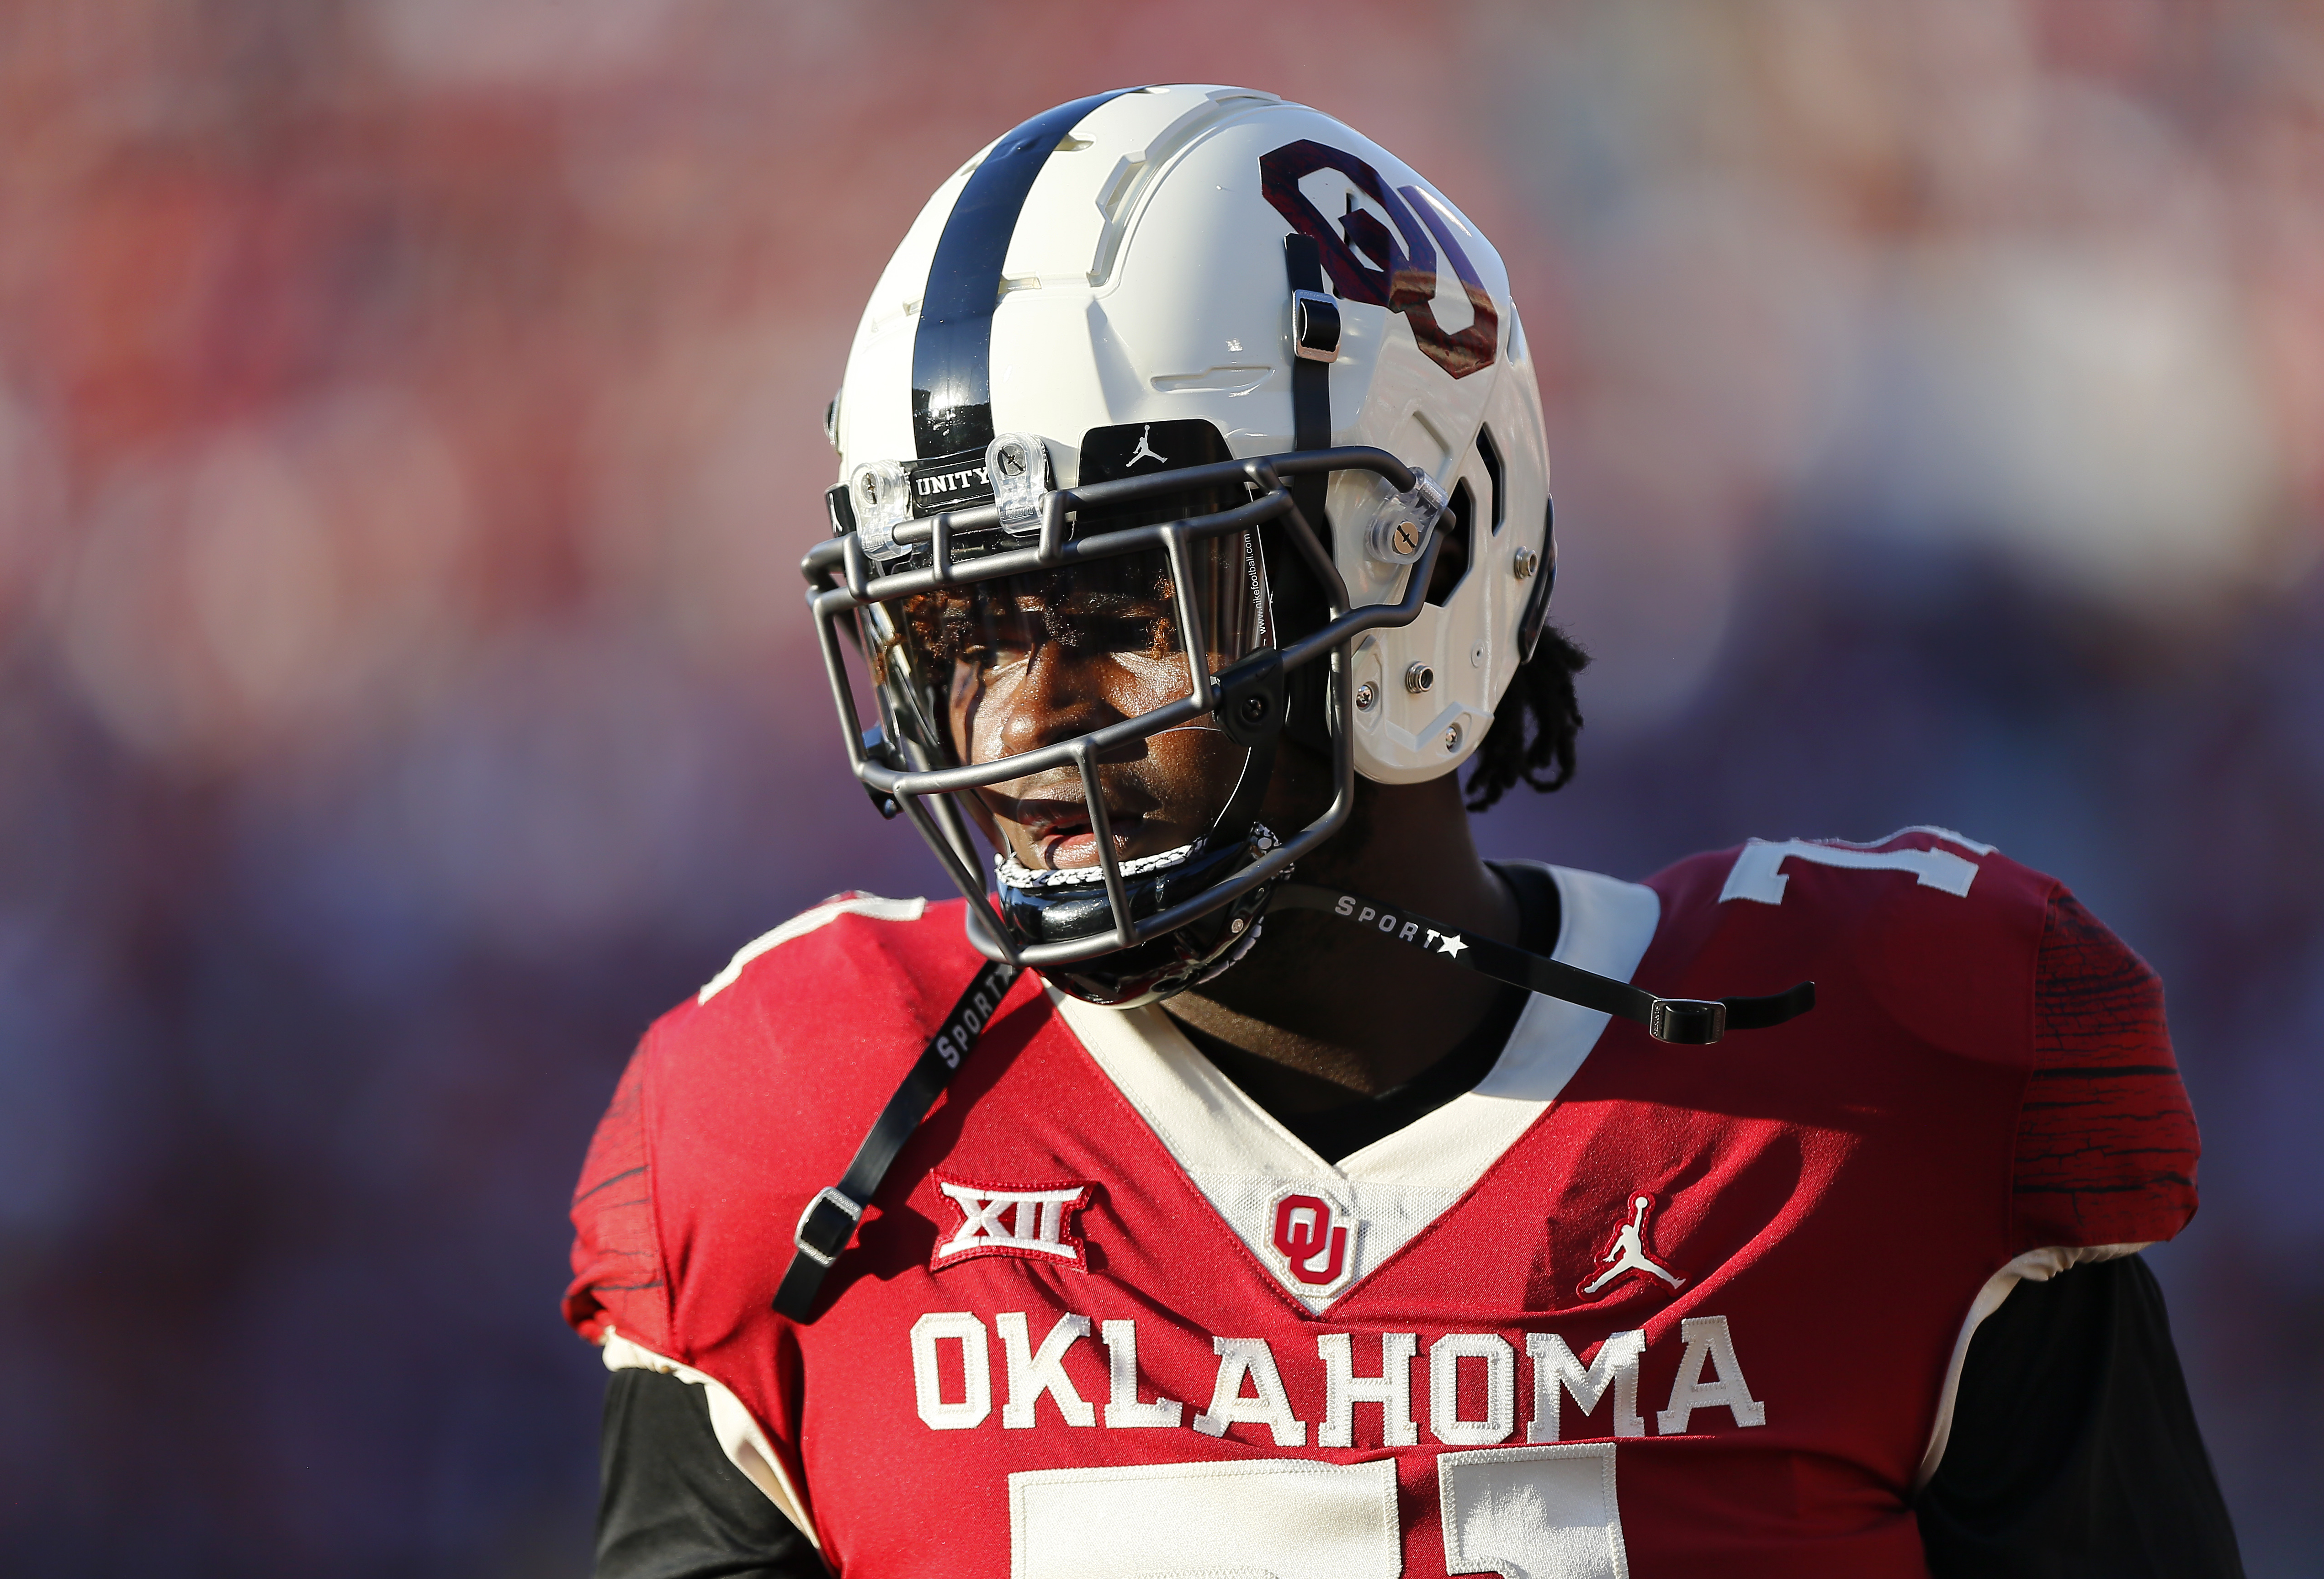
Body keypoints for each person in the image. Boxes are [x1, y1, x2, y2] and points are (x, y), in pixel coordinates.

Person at [564, 86, 2241, 1577]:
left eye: (1116, 606)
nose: (1024, 720)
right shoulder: (812, 1137)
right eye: (964, 637)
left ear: (1413, 570)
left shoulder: (1873, 1095)